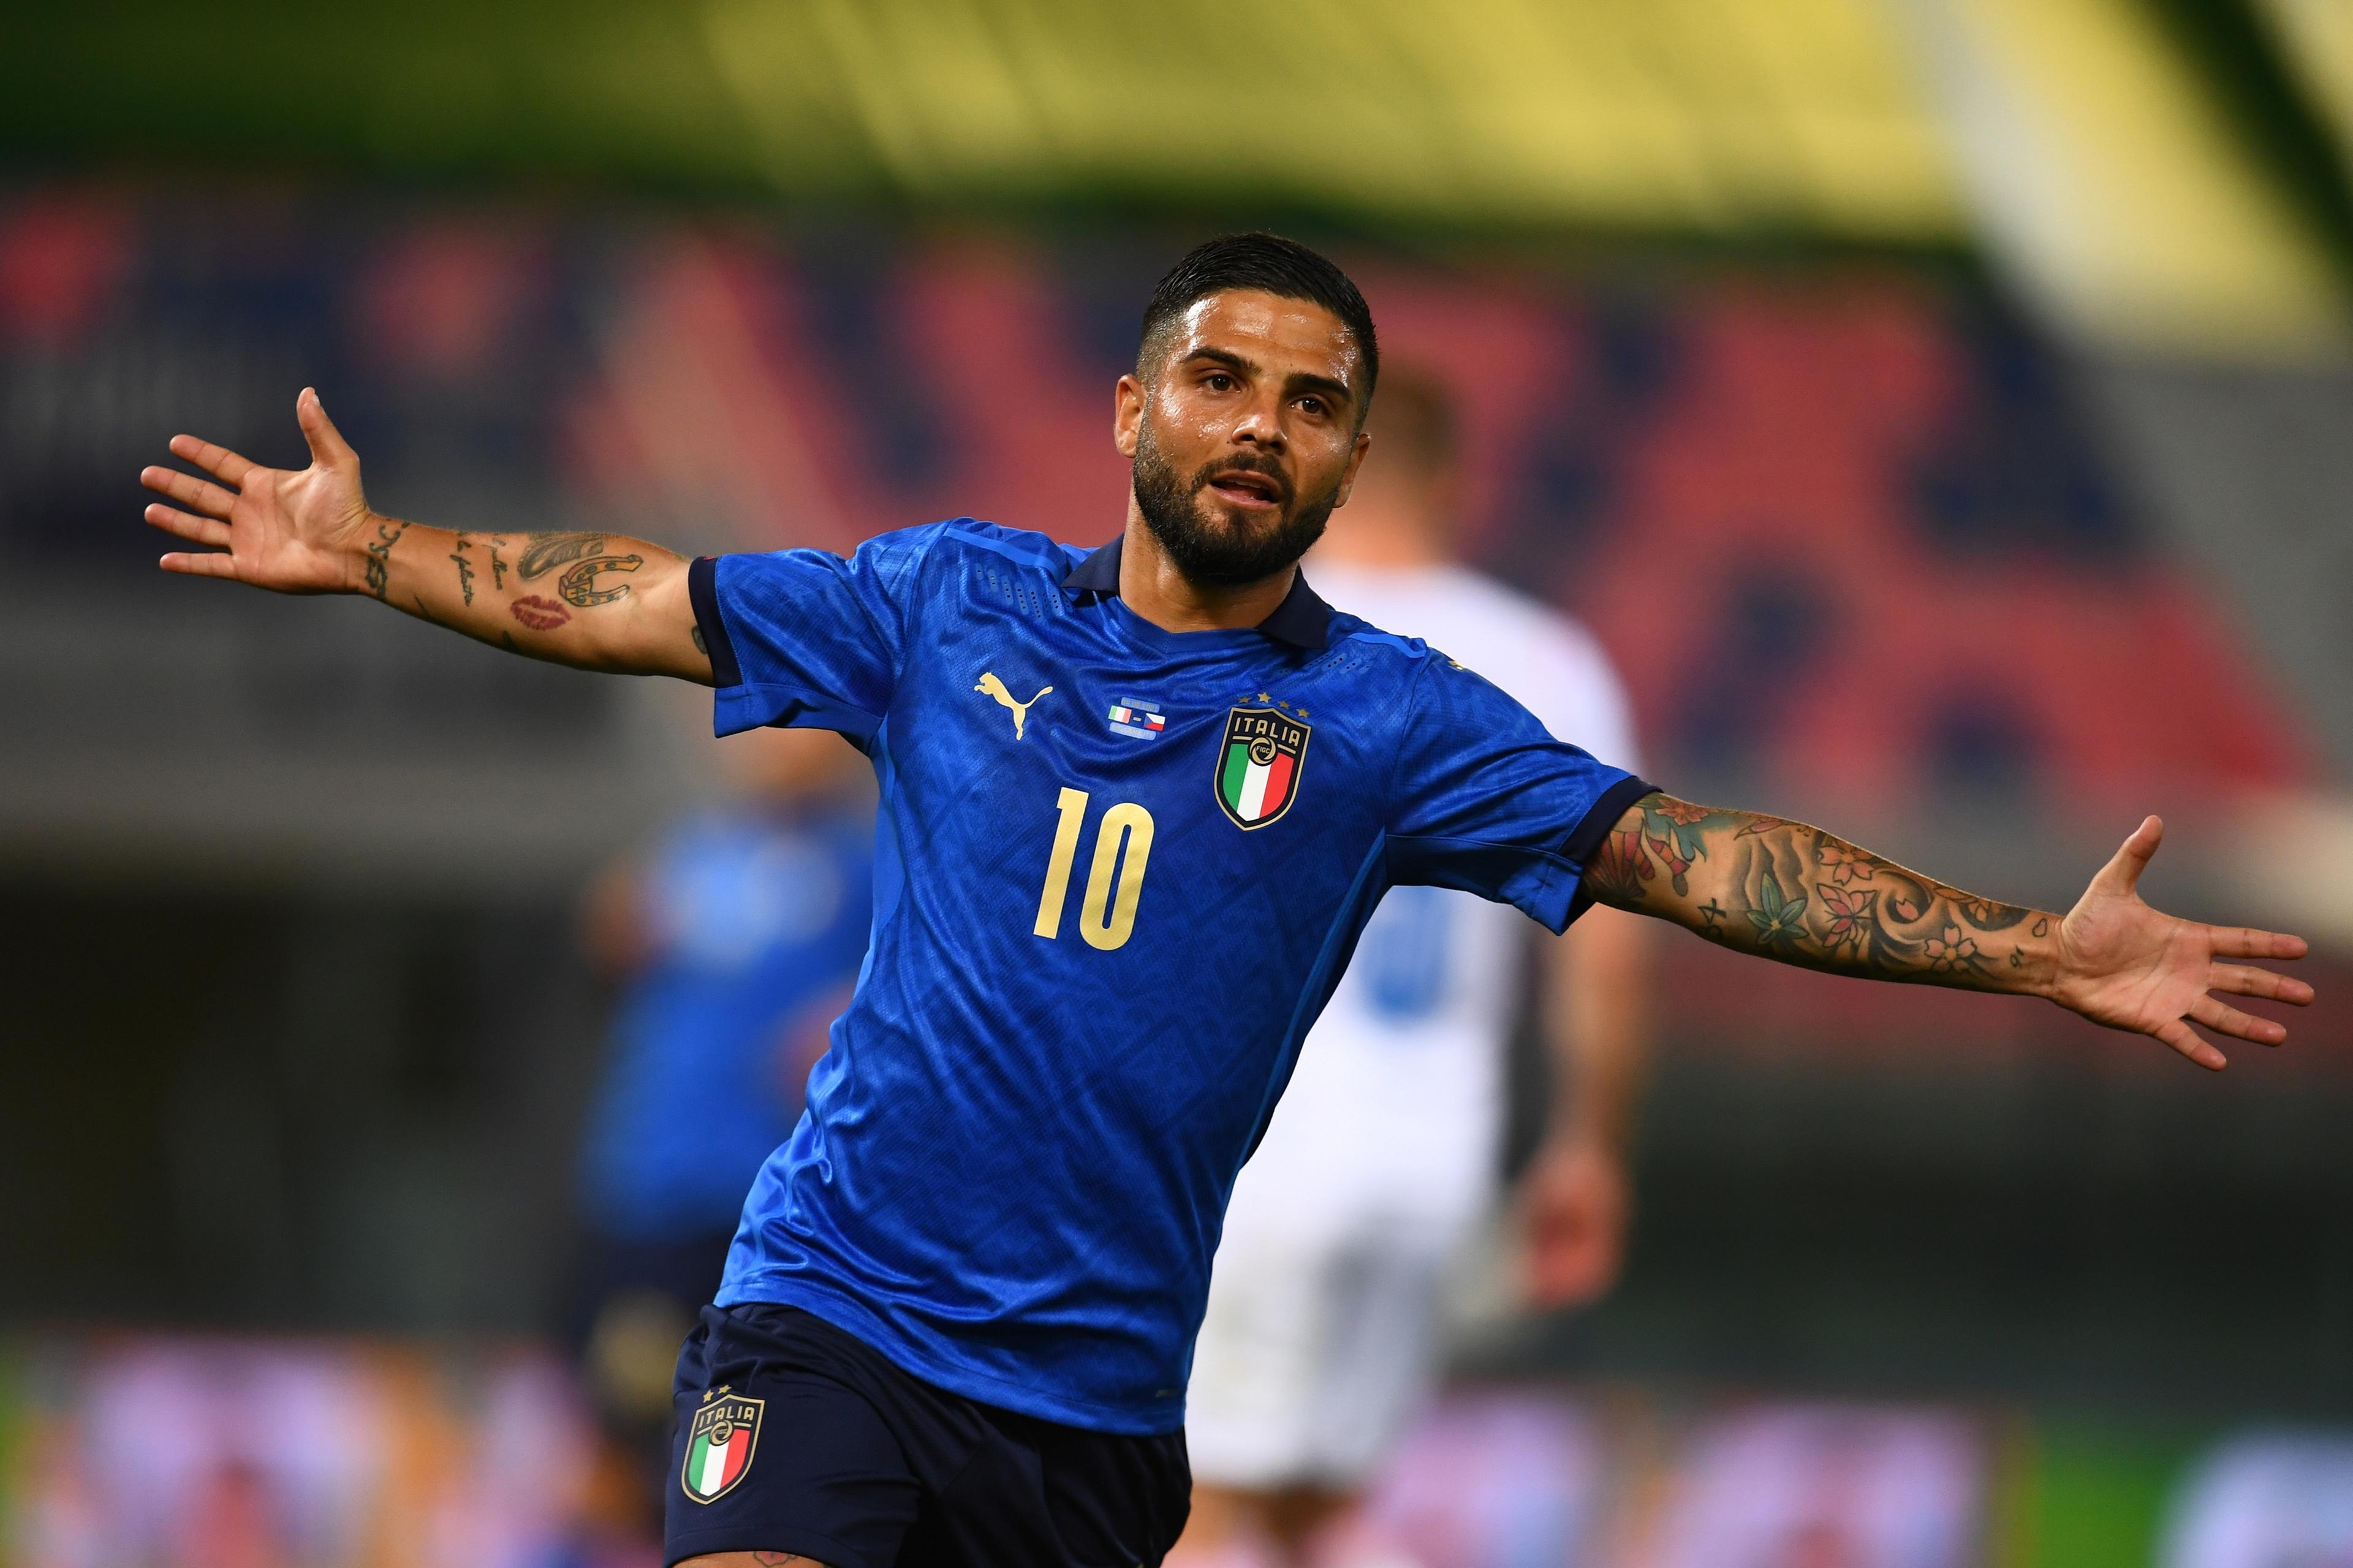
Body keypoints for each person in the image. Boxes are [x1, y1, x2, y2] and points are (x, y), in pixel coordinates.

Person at [140, 232, 2311, 1568]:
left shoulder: (1393, 725)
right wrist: (376, 549)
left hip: (1088, 1409)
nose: (1261, 425)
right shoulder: (941, 602)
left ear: (1356, 466)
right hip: (834, 1314)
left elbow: (1699, 861)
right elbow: (631, 598)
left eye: (1313, 404)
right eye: (1223, 377)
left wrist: (2028, 948)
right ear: (1133, 407)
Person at [1175, 368, 1651, 1568]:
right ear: (1456, 480)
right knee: (1314, 1513)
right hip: (1427, 1159)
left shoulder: (1234, 629)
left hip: (1252, 1151)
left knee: (1175, 1501)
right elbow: (1610, 949)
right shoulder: (1549, 661)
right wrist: (1587, 1142)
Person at [572, 717, 874, 1524]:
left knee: (740, 1438)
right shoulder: (693, 846)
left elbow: (908, 989)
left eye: (797, 726)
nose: (773, 743)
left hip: (769, 1199)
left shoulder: (865, 866)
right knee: (623, 1418)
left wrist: (844, 1023)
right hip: (651, 1180)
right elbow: (611, 936)